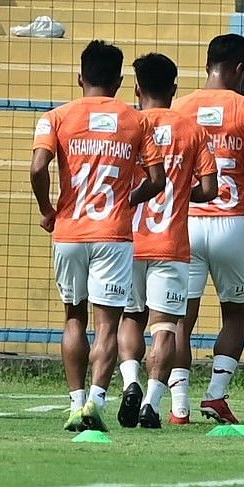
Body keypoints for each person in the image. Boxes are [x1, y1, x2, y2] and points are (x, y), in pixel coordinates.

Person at [30, 40, 165, 432]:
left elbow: (38, 167)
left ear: (80, 77)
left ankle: (74, 404)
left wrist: (47, 209)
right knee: (107, 324)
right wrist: (127, 200)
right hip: (113, 234)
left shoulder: (56, 117)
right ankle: (95, 402)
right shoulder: (137, 121)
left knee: (74, 316)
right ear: (120, 81)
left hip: (70, 231)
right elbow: (156, 180)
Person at [170, 34, 244, 425]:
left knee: (182, 319)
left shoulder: (180, 106)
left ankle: (179, 405)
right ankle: (216, 395)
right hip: (231, 222)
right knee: (234, 315)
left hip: (186, 223)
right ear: (240, 68)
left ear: (207, 64)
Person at [115, 53, 217, 430]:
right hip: (171, 246)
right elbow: (211, 188)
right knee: (166, 327)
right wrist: (181, 196)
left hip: (128, 244)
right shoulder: (191, 130)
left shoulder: (129, 126)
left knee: (130, 317)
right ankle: (153, 404)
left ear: (136, 88)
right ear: (174, 88)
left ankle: (130, 384)